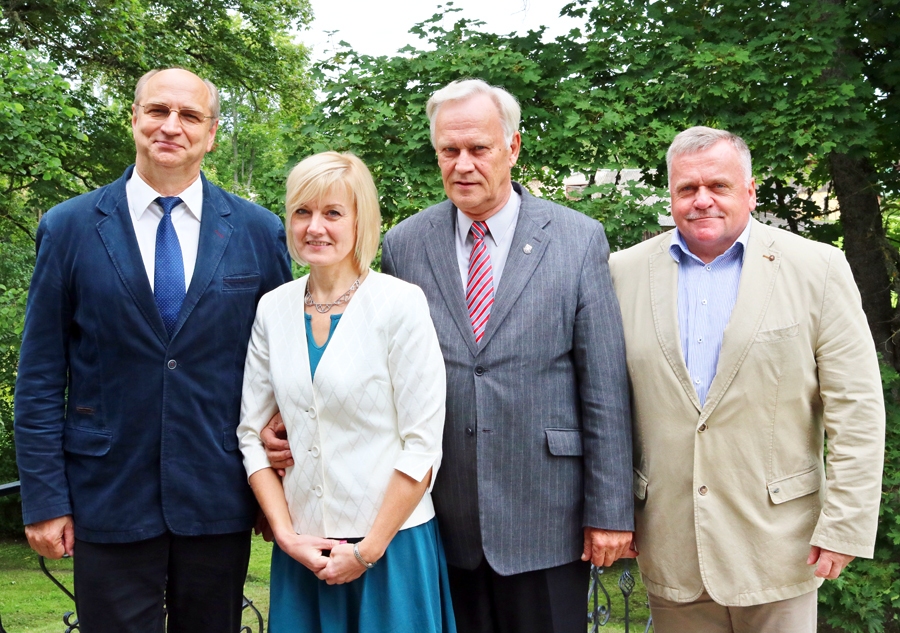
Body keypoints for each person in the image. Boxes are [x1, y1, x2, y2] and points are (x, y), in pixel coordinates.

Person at [265, 79, 634, 633]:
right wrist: (295, 412)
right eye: (448, 150)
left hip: (546, 513)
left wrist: (610, 511)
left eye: (478, 149)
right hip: (441, 516)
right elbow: (373, 366)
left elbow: (604, 387)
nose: (462, 164)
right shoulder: (408, 243)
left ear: (512, 147)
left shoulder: (578, 239)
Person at [13, 68, 292, 633]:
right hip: (106, 494)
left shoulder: (259, 232)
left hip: (219, 491)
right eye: (158, 111)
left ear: (212, 133)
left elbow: (282, 371)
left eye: (190, 116)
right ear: (135, 119)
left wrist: (277, 487)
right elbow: (40, 375)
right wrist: (44, 498)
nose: (172, 126)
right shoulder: (68, 227)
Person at [610, 126, 885, 632]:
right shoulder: (621, 274)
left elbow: (857, 408)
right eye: (687, 189)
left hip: (780, 544)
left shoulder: (816, 268)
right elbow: (605, 405)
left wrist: (845, 525)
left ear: (751, 190)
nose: (702, 201)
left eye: (719, 186)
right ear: (670, 194)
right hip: (671, 543)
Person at [237, 151, 455, 633]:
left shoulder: (400, 304)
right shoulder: (273, 309)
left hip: (390, 549)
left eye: (333, 213)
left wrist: (367, 550)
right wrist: (287, 535)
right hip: (305, 554)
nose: (315, 227)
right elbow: (251, 435)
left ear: (361, 222)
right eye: (302, 212)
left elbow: (422, 445)